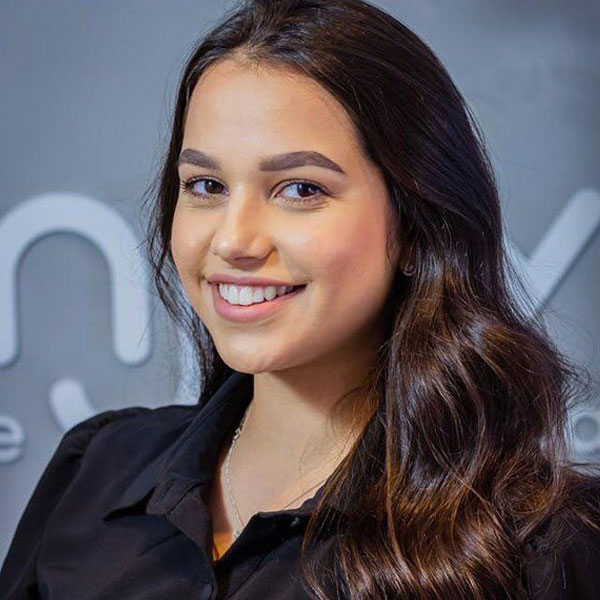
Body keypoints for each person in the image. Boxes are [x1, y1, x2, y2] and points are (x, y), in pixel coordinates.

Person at [2, 0, 600, 598]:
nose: (234, 240)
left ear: (417, 227)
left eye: (300, 189)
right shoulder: (94, 469)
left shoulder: (542, 549)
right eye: (206, 185)